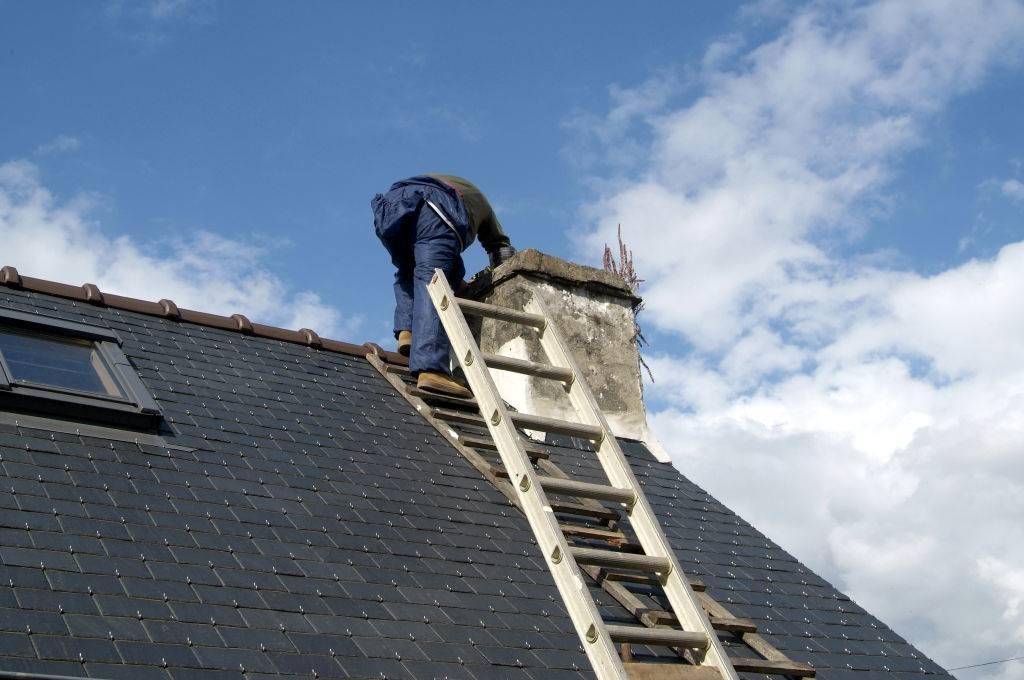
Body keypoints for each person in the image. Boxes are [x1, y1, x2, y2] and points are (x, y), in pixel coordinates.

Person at [372, 174, 516, 398]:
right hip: (435, 204)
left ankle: (407, 331)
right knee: (434, 279)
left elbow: (448, 267)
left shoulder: (456, 184)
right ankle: (431, 370)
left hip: (390, 207)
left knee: (410, 271)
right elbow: (501, 248)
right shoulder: (485, 208)